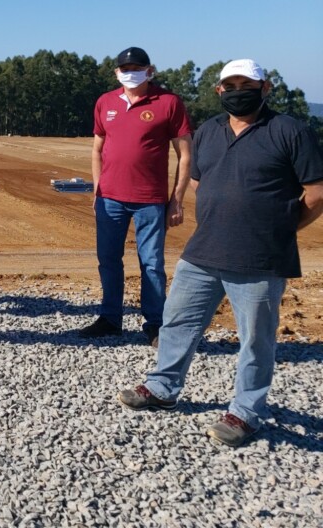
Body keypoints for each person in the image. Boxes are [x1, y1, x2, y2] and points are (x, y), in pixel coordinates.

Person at [118, 59, 323, 446]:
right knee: (177, 323)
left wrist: (278, 227)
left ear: (266, 88)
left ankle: (246, 412)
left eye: (247, 84)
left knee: (255, 339)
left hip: (261, 257)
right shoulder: (209, 131)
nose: (237, 91)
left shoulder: (290, 131)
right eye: (230, 86)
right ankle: (163, 387)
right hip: (204, 251)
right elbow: (199, 181)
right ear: (219, 91)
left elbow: (316, 193)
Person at [81, 46, 192, 345]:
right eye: (125, 69)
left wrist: (176, 200)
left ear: (150, 70)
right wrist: (97, 188)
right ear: (116, 72)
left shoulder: (169, 102)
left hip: (151, 200)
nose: (130, 73)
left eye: (137, 68)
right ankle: (109, 318)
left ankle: (156, 324)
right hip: (110, 198)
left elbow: (184, 154)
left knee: (152, 263)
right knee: (108, 260)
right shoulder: (105, 102)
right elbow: (97, 149)